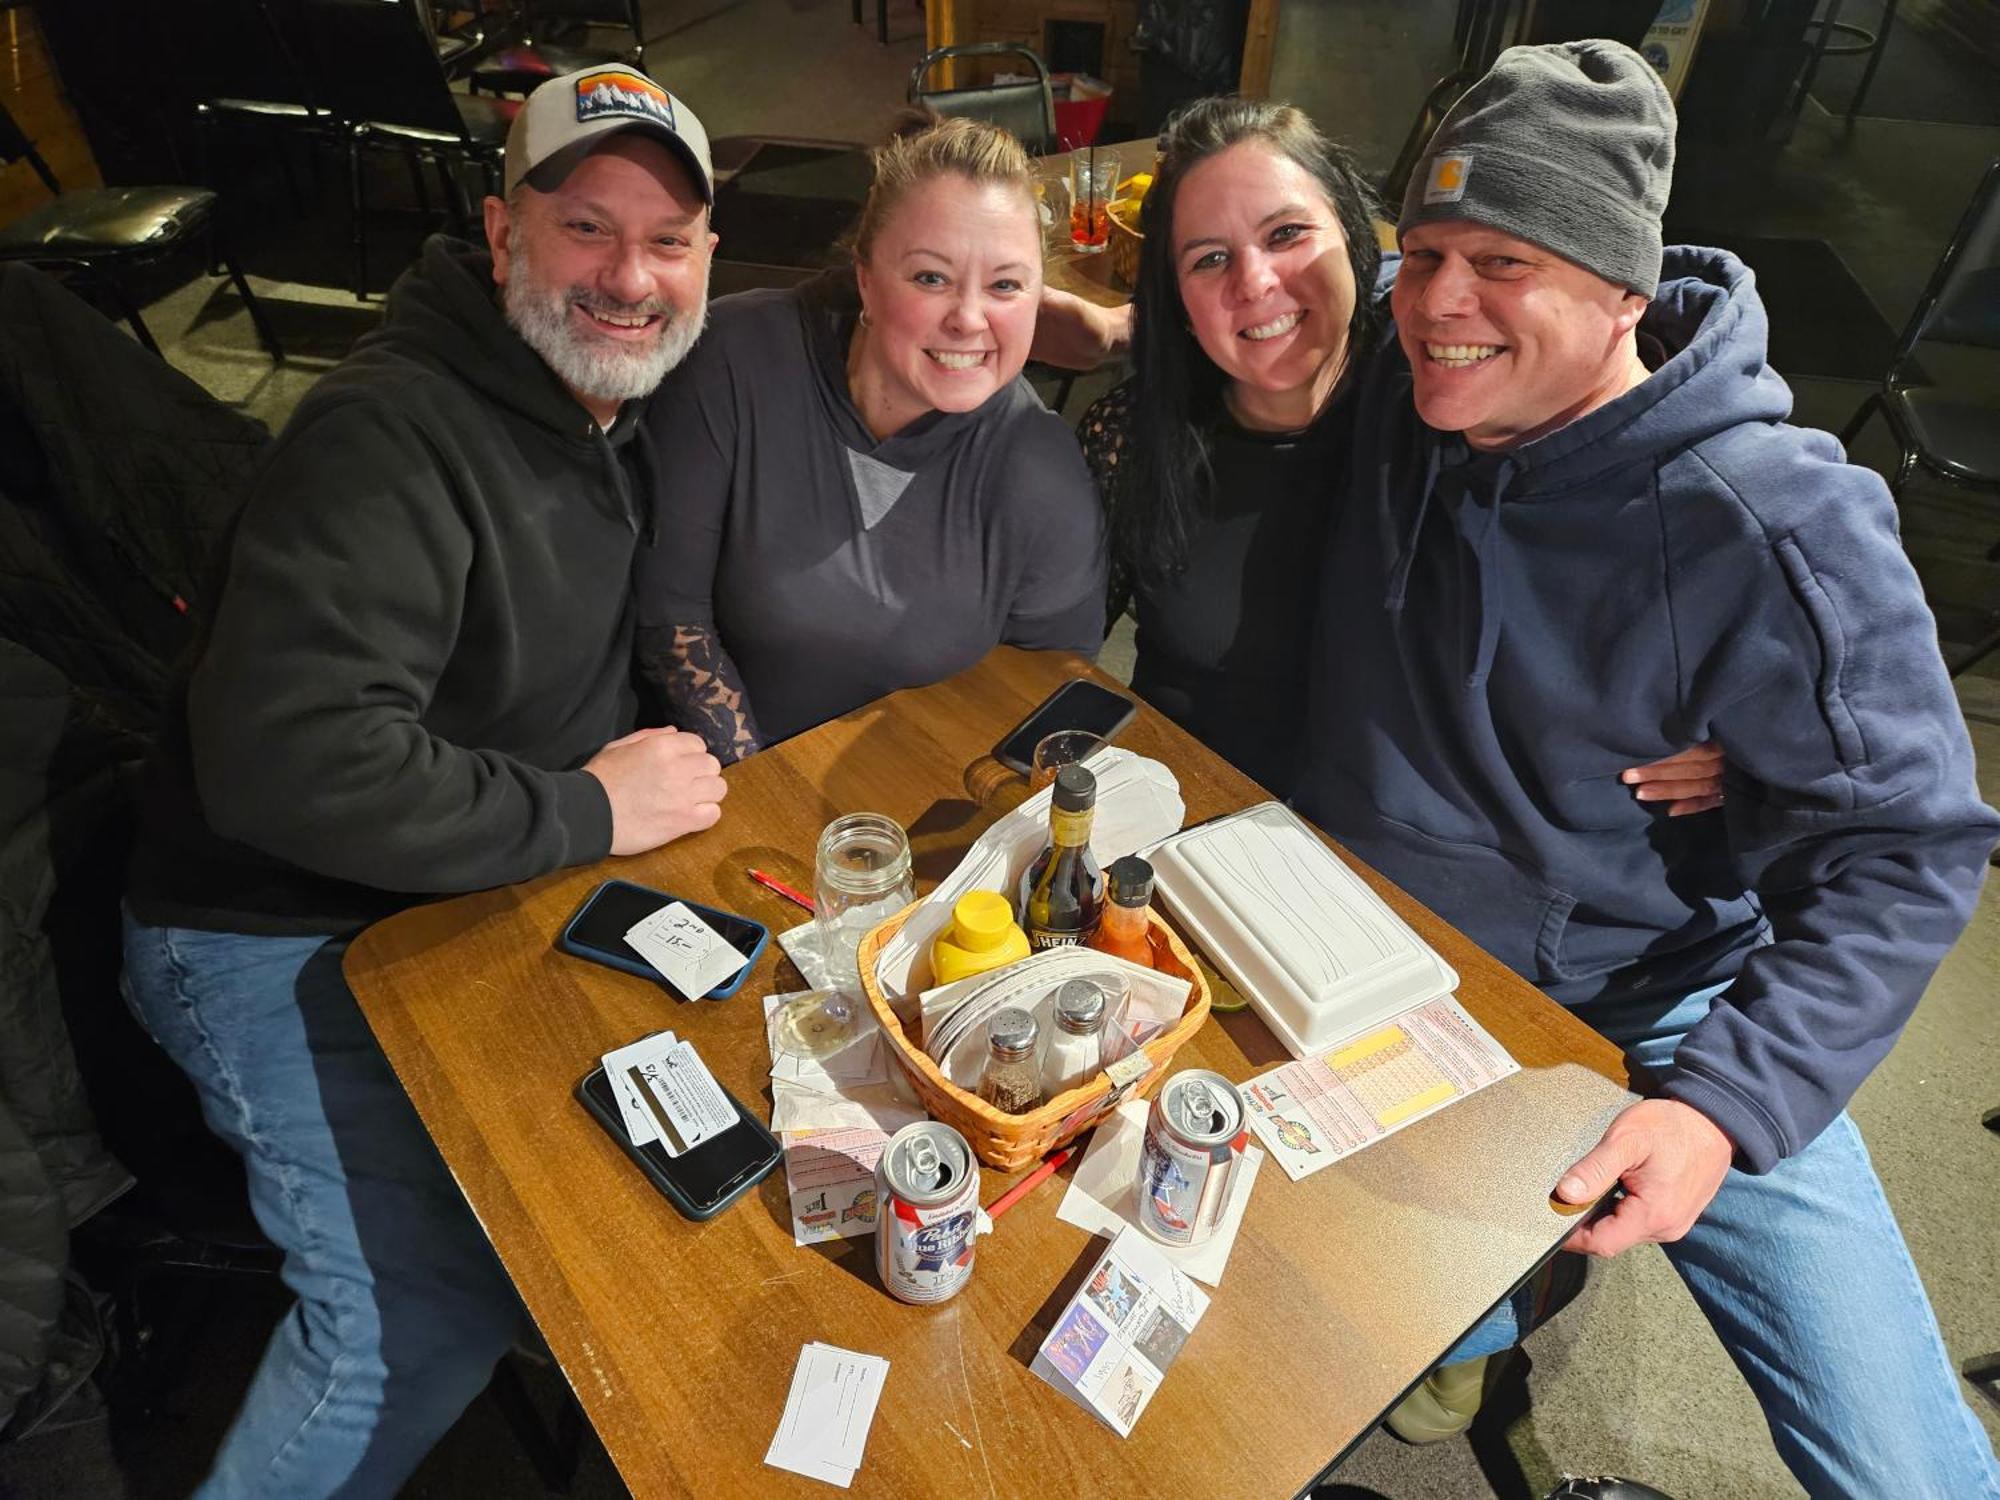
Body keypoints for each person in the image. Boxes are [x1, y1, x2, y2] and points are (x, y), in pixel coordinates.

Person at [1293, 41, 2000, 1490]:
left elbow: (1910, 850)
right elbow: (1256, 289)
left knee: (1897, 1464)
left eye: (1502, 259)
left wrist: (1723, 1107)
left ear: (1625, 285)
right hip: (1383, 963)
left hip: (1661, 993)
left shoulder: (1776, 522)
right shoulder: (1407, 381)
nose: (1436, 303)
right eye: (1422, 251)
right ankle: (1479, 1319)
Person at [119, 67, 729, 1498]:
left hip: (452, 887)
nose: (629, 277)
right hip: (267, 929)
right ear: (502, 232)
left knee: (629, 1191)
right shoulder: (388, 435)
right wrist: (588, 809)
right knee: (416, 1306)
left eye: (667, 240)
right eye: (587, 227)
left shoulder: (586, 398)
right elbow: (292, 763)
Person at [1080, 96, 1724, 811]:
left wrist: (1731, 725)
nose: (1255, 282)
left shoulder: (1450, 407)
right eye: (1210, 259)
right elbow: (1059, 657)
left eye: (1288, 233)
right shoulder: (1135, 436)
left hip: (1390, 857)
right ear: (1176, 296)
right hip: (1178, 817)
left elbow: (1623, 473)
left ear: (1356, 236)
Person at [634, 114, 1106, 760]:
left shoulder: (1043, 471)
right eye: (930, 277)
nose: (969, 318)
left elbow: (1048, 694)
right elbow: (672, 616)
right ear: (866, 278)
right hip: (732, 783)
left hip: (918, 804)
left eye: (1005, 285)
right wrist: (766, 792)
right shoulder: (732, 359)